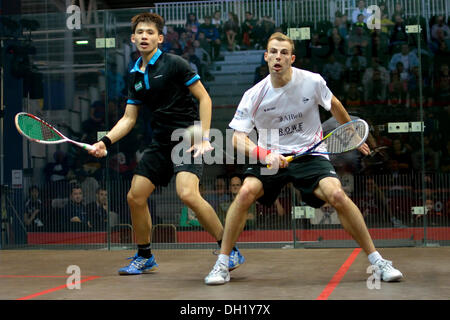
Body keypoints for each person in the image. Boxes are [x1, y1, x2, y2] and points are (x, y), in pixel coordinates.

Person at [204, 32, 403, 285]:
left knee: (338, 195)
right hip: (270, 155)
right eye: (273, 52)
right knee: (244, 193)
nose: (278, 57)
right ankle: (222, 263)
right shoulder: (253, 95)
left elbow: (336, 105)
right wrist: (266, 155)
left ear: (292, 58)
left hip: (310, 154)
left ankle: (378, 261)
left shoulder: (312, 82)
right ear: (266, 57)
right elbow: (237, 138)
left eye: (284, 53)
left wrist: (354, 135)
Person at [89, 12, 244, 275]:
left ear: (160, 38)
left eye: (150, 32)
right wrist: (105, 141)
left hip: (188, 136)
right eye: (140, 33)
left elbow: (204, 99)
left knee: (187, 194)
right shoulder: (135, 76)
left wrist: (205, 137)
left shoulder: (175, 64)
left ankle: (230, 251)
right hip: (160, 141)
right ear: (133, 38)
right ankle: (144, 256)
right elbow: (129, 118)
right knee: (135, 196)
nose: (144, 36)